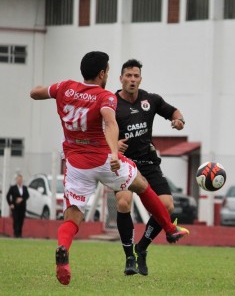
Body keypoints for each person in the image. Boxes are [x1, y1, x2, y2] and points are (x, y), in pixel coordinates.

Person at [29, 51, 189, 286]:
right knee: (142, 186)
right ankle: (168, 228)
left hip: (75, 165)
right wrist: (114, 153)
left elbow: (36, 93)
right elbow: (110, 123)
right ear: (103, 73)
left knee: (73, 216)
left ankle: (63, 247)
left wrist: (44, 90)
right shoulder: (106, 96)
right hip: (104, 160)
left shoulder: (64, 87)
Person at [114, 59, 186, 276]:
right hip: (124, 164)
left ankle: (142, 247)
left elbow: (174, 112)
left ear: (140, 79)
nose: (132, 80)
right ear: (121, 79)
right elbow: (99, 131)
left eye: (136, 76)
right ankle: (129, 257)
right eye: (128, 76)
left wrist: (179, 120)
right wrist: (113, 145)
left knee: (167, 206)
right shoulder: (110, 103)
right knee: (124, 202)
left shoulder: (151, 100)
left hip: (147, 162)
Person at [6, 173, 30, 238]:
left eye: (21, 179)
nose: (19, 181)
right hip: (15, 207)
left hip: (22, 207)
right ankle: (15, 233)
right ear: (16, 180)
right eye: (18, 179)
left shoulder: (24, 188)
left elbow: (27, 195)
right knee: (16, 220)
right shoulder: (13, 188)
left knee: (21, 220)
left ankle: (20, 234)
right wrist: (10, 204)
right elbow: (8, 196)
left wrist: (22, 198)